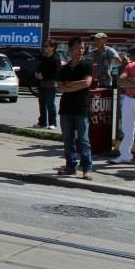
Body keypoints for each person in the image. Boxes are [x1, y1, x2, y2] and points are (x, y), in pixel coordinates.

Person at [56, 36, 93, 180]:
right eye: (78, 47)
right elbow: (60, 87)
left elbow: (87, 83)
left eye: (82, 48)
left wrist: (70, 85)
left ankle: (87, 168)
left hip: (81, 108)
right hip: (66, 108)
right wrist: (74, 85)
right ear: (70, 49)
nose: (80, 50)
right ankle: (70, 166)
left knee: (83, 140)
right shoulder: (64, 68)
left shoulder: (87, 65)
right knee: (68, 140)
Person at [110, 42, 135, 169]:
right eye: (134, 56)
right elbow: (120, 81)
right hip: (128, 99)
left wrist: (130, 82)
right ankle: (125, 155)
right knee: (127, 129)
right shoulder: (130, 65)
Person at [34, 40, 61, 130]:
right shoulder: (44, 57)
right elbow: (38, 67)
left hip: (51, 84)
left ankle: (52, 123)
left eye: (46, 46)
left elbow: (56, 72)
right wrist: (37, 73)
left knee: (50, 104)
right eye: (44, 46)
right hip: (42, 84)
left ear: (52, 47)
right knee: (42, 104)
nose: (44, 48)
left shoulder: (56, 58)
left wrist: (44, 76)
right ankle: (42, 122)